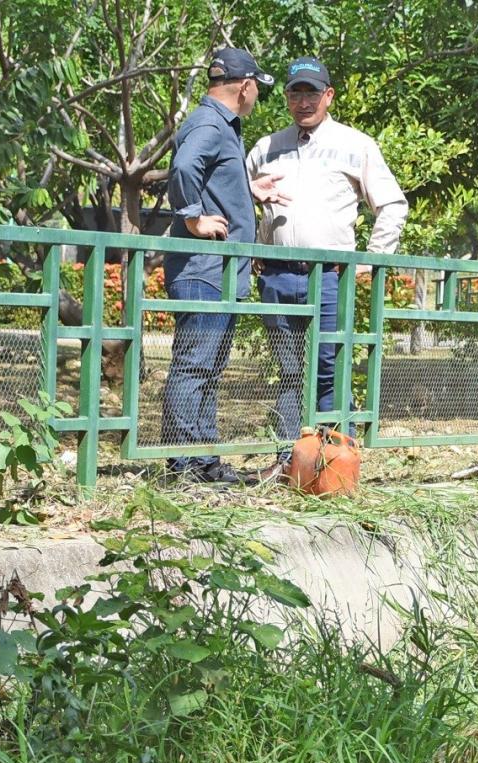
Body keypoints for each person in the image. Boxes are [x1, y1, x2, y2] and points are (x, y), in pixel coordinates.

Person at [245, 56, 408, 481]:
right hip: (277, 277)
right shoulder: (266, 146)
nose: (303, 101)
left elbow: (391, 204)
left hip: (331, 277)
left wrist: (369, 262)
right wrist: (253, 251)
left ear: (328, 95)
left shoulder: (356, 144)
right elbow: (238, 202)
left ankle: (335, 466)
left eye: (312, 92)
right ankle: (289, 461)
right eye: (295, 92)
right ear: (285, 97)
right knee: (290, 371)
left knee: (330, 367)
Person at [161, 48, 287, 483]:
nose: (257, 99)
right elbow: (183, 166)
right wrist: (193, 217)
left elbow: (207, 172)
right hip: (203, 268)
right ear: (246, 86)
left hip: (219, 269)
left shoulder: (220, 126)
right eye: (258, 91)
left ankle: (204, 460)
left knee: (209, 367)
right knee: (195, 365)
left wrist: (248, 189)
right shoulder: (211, 123)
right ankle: (182, 466)